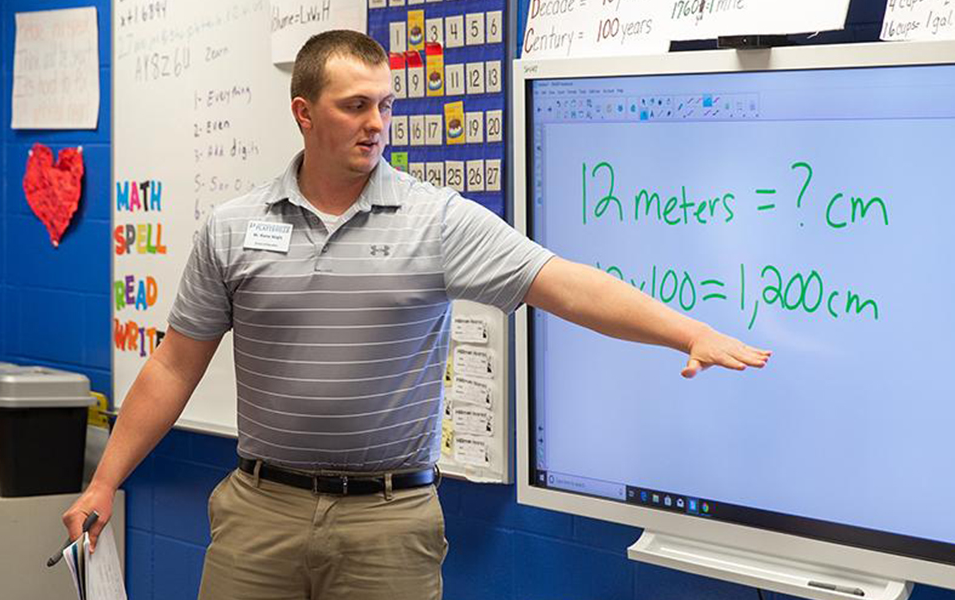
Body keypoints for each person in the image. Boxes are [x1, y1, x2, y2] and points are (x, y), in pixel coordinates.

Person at [63, 30, 770, 600]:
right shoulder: (233, 227)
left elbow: (565, 284)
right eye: (354, 106)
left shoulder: (436, 221)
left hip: (389, 523)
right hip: (260, 514)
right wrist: (103, 484)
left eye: (386, 104)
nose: (376, 124)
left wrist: (688, 331)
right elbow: (174, 366)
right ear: (304, 113)